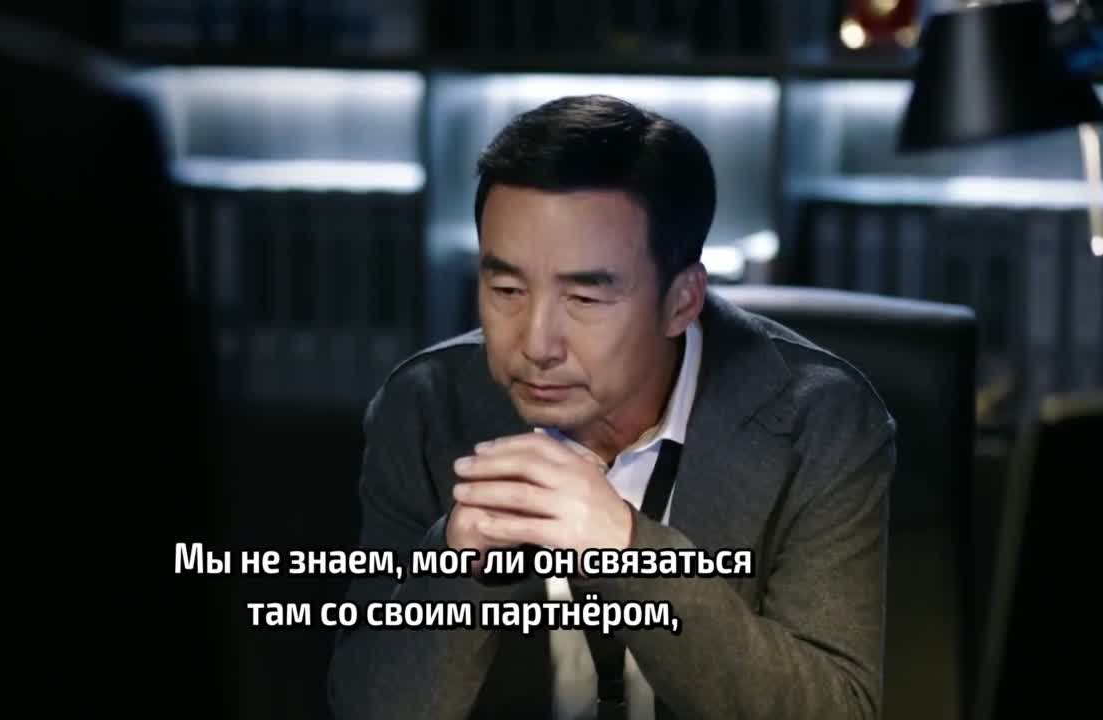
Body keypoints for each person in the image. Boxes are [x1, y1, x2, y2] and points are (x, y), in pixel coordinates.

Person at [327, 94, 894, 720]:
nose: (536, 345)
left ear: (681, 302)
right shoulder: (424, 408)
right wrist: (457, 566)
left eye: (585, 300)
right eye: (507, 289)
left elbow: (838, 709)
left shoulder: (822, 422)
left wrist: (629, 552)